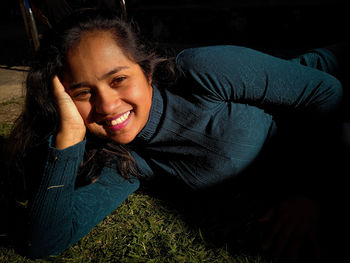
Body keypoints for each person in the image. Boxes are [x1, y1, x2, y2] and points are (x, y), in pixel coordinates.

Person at [6, 8, 347, 262]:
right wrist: (67, 138)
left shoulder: (200, 71)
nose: (107, 105)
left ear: (146, 70)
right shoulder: (127, 162)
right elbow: (45, 242)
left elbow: (325, 92)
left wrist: (309, 194)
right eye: (82, 93)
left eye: (118, 79)